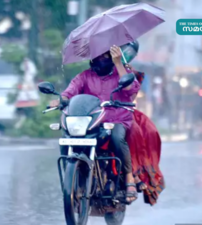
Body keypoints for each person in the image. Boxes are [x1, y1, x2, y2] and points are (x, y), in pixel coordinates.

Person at [50, 43, 140, 203]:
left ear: (111, 56)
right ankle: (71, 180)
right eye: (96, 55)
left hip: (116, 119)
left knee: (117, 139)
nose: (100, 59)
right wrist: (59, 100)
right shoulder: (84, 76)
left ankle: (128, 177)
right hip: (91, 121)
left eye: (104, 55)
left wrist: (119, 63)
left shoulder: (122, 72)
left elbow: (131, 89)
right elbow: (69, 93)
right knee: (66, 137)